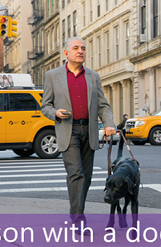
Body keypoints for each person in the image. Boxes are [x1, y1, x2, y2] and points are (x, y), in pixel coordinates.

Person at [41, 37, 116, 229]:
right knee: (76, 173)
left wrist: (109, 124)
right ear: (66, 53)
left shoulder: (93, 76)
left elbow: (103, 105)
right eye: (75, 48)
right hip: (68, 129)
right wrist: (55, 113)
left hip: (89, 130)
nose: (80, 51)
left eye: (83, 48)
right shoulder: (52, 75)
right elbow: (45, 106)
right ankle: (78, 218)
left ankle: (76, 211)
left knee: (87, 176)